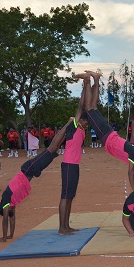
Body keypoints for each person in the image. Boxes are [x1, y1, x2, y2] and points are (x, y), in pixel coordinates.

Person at [0, 118, 72, 243]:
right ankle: (69, 129)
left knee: (51, 149)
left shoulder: (6, 202)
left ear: (3, 208)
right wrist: (9, 236)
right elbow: (12, 220)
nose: (10, 213)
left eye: (7, 212)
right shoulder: (11, 205)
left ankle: (69, 123)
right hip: (31, 171)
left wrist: (3, 238)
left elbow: (5, 220)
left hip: (28, 169)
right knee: (53, 150)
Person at [79, 71, 134, 191]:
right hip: (105, 134)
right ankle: (88, 81)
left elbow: (133, 172)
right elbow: (130, 173)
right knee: (88, 108)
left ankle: (97, 79)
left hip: (107, 133)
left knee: (93, 107)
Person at [58, 85, 89, 235]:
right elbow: (81, 106)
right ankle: (61, 228)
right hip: (68, 165)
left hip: (74, 165)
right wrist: (85, 85)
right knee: (65, 196)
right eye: (86, 123)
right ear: (80, 121)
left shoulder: (81, 131)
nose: (87, 126)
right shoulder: (74, 127)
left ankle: (66, 226)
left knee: (70, 196)